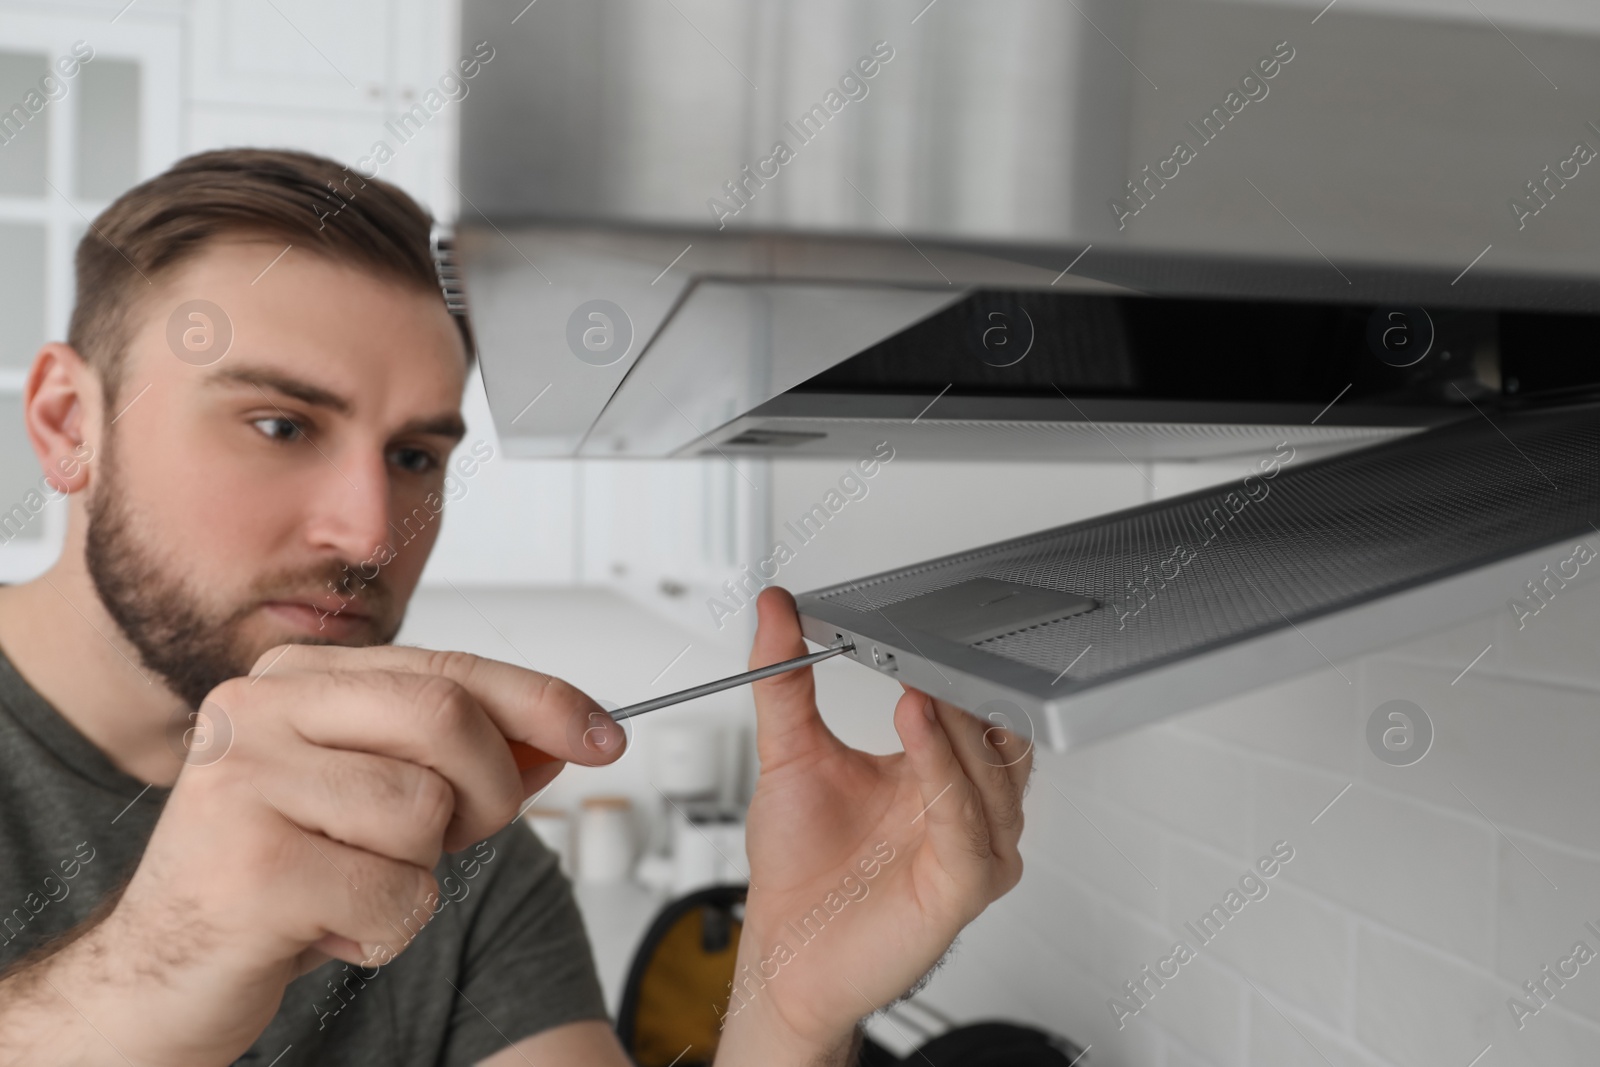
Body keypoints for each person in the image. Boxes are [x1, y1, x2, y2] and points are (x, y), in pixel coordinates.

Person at [0, 149, 1029, 1067]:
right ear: (66, 423)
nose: (370, 533)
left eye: (415, 456)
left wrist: (786, 1009)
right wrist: (153, 965)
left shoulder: (455, 842)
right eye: (279, 423)